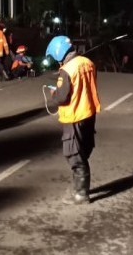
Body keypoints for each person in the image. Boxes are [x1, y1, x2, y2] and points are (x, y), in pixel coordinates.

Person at [44, 35, 101, 204]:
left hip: (74, 115)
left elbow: (62, 98)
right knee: (83, 150)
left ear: (59, 52)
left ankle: (81, 194)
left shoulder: (67, 70)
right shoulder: (88, 63)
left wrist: (54, 93)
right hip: (89, 113)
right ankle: (79, 188)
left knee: (74, 154)